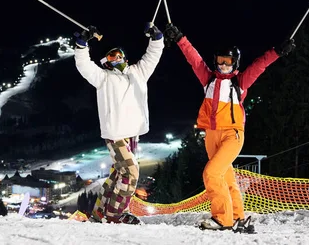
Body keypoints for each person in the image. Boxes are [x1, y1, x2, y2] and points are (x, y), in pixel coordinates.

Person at [163, 23, 295, 232]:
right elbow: (193, 58)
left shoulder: (239, 83)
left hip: (232, 135)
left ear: (235, 63)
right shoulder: (208, 80)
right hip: (212, 135)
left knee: (212, 173)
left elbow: (259, 66)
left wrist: (277, 52)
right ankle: (237, 217)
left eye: (228, 62)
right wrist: (180, 38)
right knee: (226, 177)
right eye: (220, 61)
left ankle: (222, 219)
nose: (223, 65)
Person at [73, 23, 164, 224]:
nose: (117, 58)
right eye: (112, 56)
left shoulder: (138, 72)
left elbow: (152, 56)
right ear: (106, 62)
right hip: (115, 135)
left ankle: (99, 212)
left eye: (119, 54)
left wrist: (156, 38)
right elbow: (84, 66)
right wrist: (82, 45)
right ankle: (114, 215)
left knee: (118, 173)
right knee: (131, 172)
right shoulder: (104, 78)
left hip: (132, 133)